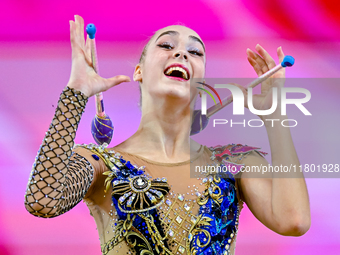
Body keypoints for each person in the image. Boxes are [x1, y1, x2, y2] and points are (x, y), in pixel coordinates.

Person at [24, 15, 311, 255]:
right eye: (166, 45)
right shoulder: (102, 162)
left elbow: (294, 221)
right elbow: (42, 200)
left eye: (195, 52)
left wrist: (275, 116)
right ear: (139, 71)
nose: (181, 53)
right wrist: (75, 95)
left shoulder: (233, 162)